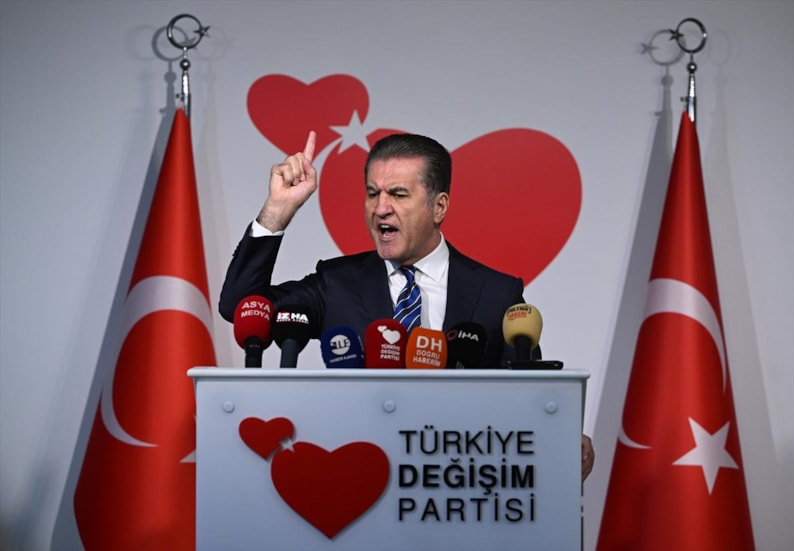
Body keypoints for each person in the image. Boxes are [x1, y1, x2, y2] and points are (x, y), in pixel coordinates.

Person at [219, 130, 594, 480]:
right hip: (355, 481)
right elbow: (241, 308)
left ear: (438, 206)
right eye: (372, 193)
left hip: (454, 491)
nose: (380, 208)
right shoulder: (336, 283)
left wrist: (556, 438)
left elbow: (527, 404)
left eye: (398, 194)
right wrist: (277, 211)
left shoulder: (497, 294)